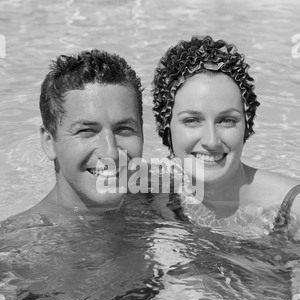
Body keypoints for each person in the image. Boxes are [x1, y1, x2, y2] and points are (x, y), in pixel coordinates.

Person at [152, 35, 300, 237]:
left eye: (227, 120)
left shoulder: (293, 209)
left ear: (246, 125)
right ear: (166, 127)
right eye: (192, 120)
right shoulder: (153, 194)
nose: (211, 140)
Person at [2, 49, 145, 228]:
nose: (112, 152)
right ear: (49, 143)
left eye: (124, 129)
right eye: (87, 131)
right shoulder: (22, 243)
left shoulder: (162, 204)